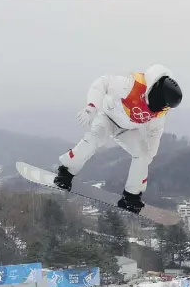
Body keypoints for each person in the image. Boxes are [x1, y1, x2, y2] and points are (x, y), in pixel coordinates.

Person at [54, 65, 182, 214]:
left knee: (142, 155)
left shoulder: (160, 112)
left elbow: (155, 132)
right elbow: (102, 83)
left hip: (128, 129)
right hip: (108, 119)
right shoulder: (133, 85)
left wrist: (149, 155)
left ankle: (131, 196)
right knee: (93, 140)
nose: (158, 107)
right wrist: (91, 106)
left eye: (163, 106)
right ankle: (66, 171)